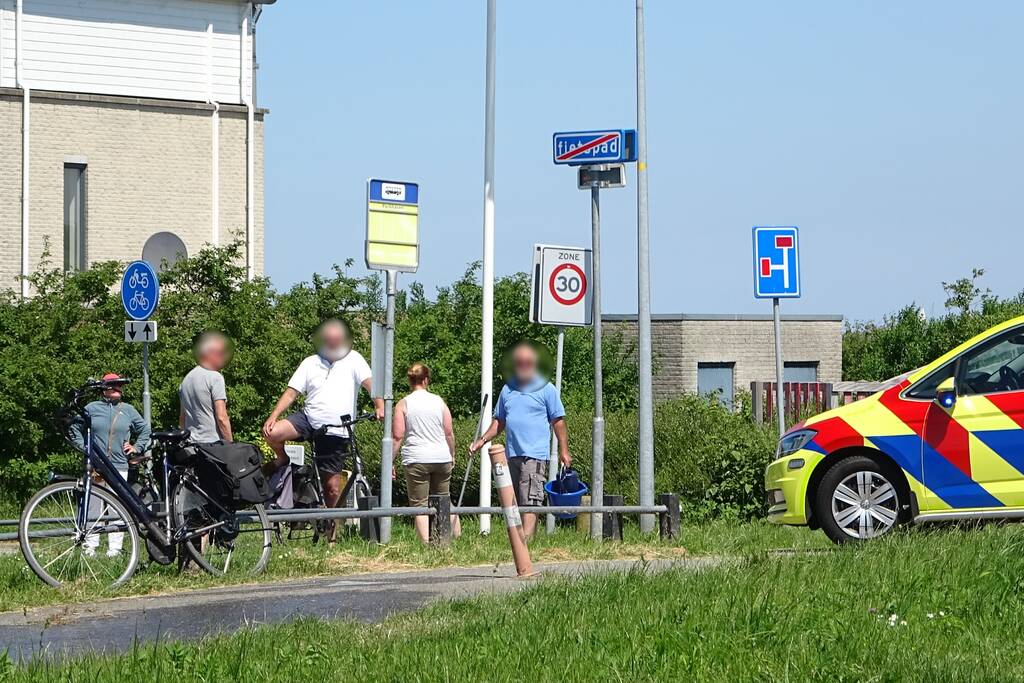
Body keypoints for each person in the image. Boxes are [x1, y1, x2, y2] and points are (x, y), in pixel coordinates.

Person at [262, 319, 384, 509]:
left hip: (336, 430)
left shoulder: (354, 359)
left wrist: (379, 405)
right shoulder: (310, 362)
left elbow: (370, 384)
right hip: (308, 420)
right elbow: (291, 392)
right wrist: (273, 416)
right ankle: (282, 458)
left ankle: (331, 532)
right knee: (273, 433)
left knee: (332, 488)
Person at [470, 341, 571, 539]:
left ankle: (526, 545)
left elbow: (558, 421)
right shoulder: (508, 390)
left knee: (530, 501)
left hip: (534, 455)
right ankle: (519, 542)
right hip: (511, 455)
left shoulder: (546, 389)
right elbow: (499, 421)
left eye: (527, 363)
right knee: (514, 501)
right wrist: (482, 440)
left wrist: (564, 451)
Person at [69, 373, 151, 557]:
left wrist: (136, 447)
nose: (118, 389)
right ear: (104, 389)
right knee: (93, 505)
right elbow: (74, 427)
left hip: (119, 465)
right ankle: (90, 546)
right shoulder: (92, 408)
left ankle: (114, 549)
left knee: (117, 506)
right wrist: (84, 448)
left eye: (120, 386)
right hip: (96, 465)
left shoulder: (128, 410)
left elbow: (145, 429)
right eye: (114, 386)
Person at [393, 363, 457, 543]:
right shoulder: (439, 402)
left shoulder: (403, 404)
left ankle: (426, 545)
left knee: (420, 504)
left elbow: (398, 436)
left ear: (409, 381)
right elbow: (448, 432)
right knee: (444, 500)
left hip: (416, 459)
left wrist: (390, 461)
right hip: (441, 457)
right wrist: (451, 454)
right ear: (426, 380)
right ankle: (452, 538)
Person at [179, 331, 233, 444]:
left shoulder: (186, 380)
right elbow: (221, 417)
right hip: (212, 444)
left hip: (191, 444)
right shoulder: (215, 377)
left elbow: (182, 418)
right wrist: (230, 445)